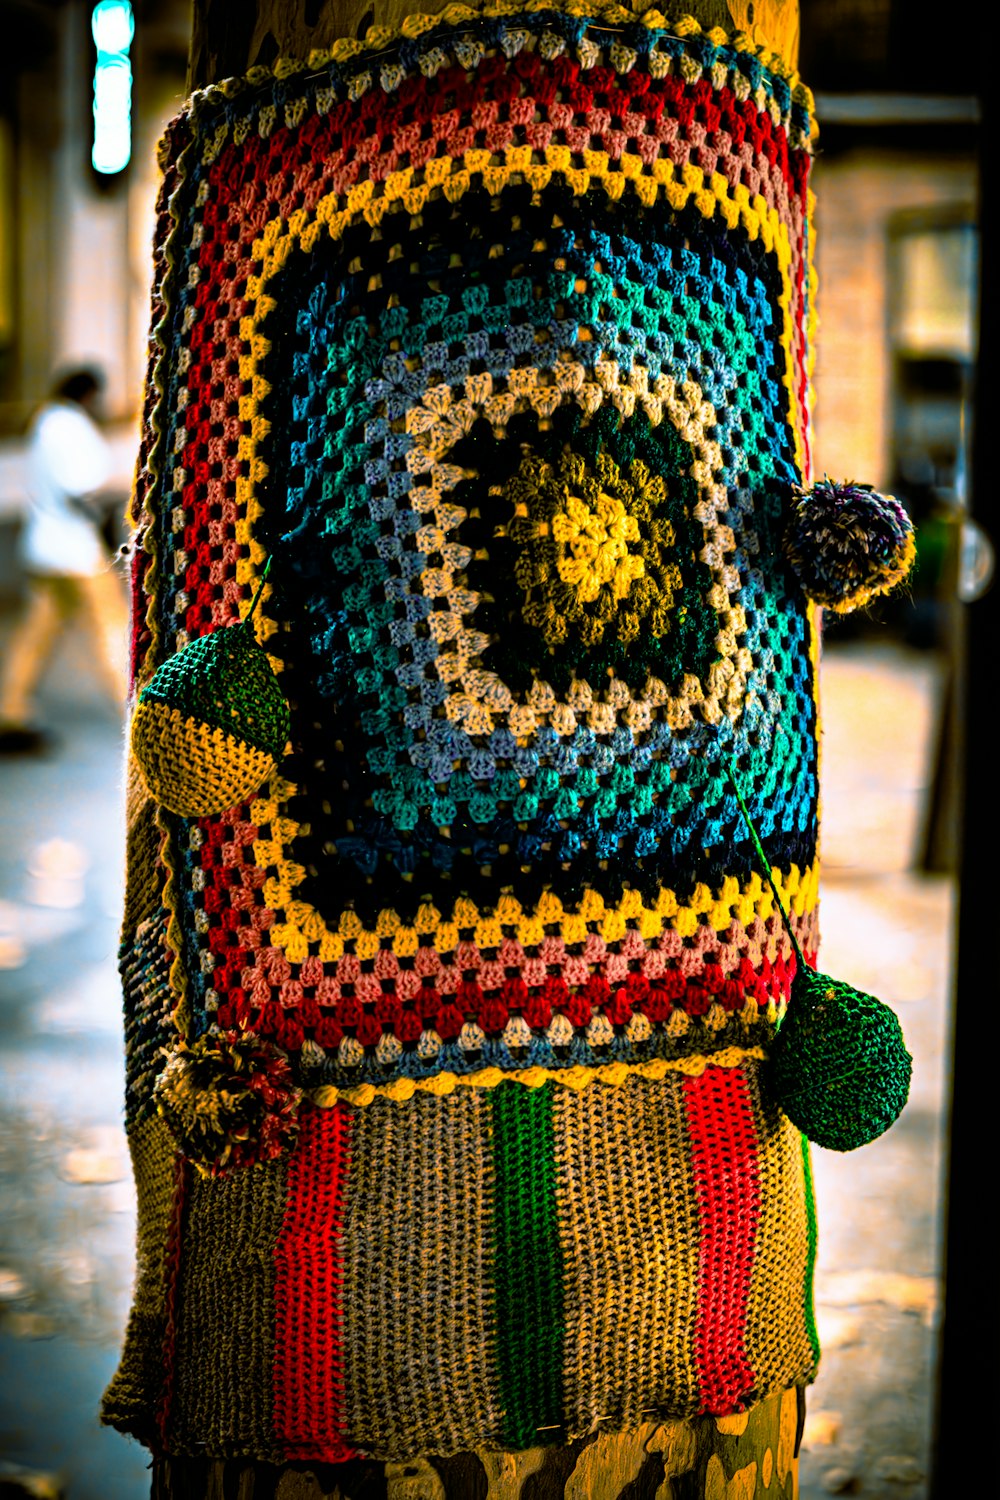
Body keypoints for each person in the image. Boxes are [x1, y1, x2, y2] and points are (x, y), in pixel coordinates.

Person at [0, 366, 127, 752]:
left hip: (43, 546)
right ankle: (137, 709)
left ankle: (11, 711)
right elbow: (81, 487)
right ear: (89, 395)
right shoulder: (71, 425)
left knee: (36, 634)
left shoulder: (45, 419)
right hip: (74, 552)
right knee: (112, 629)